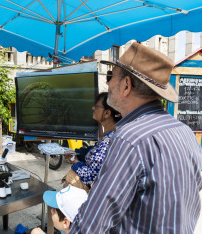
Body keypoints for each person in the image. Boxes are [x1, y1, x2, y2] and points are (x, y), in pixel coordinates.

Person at [69, 42, 202, 233]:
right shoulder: (184, 131)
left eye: (111, 76)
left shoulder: (129, 140)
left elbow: (92, 224)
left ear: (126, 85)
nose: (108, 83)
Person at [63, 92, 121, 191]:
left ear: (107, 113)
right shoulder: (111, 134)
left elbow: (90, 176)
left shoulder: (107, 142)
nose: (93, 108)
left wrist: (75, 161)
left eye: (96, 106)